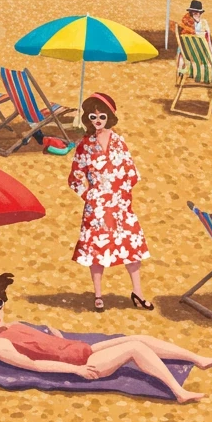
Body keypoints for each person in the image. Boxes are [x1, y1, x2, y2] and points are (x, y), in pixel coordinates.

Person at [0, 271, 212, 403]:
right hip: (83, 364)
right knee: (135, 348)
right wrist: (76, 372)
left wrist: (56, 336)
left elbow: (40, 343)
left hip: (81, 348)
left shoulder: (14, 324)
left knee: (138, 336)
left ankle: (197, 358)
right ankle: (179, 392)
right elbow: (36, 365)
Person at [69, 93, 154, 312]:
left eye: (102, 116)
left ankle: (138, 292)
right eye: (93, 117)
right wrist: (88, 194)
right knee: (97, 250)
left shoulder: (119, 141)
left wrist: (122, 193)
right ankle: (98, 295)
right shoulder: (84, 145)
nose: (98, 121)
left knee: (131, 247)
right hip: (96, 206)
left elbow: (132, 171)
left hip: (121, 204)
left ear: (110, 117)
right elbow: (75, 176)